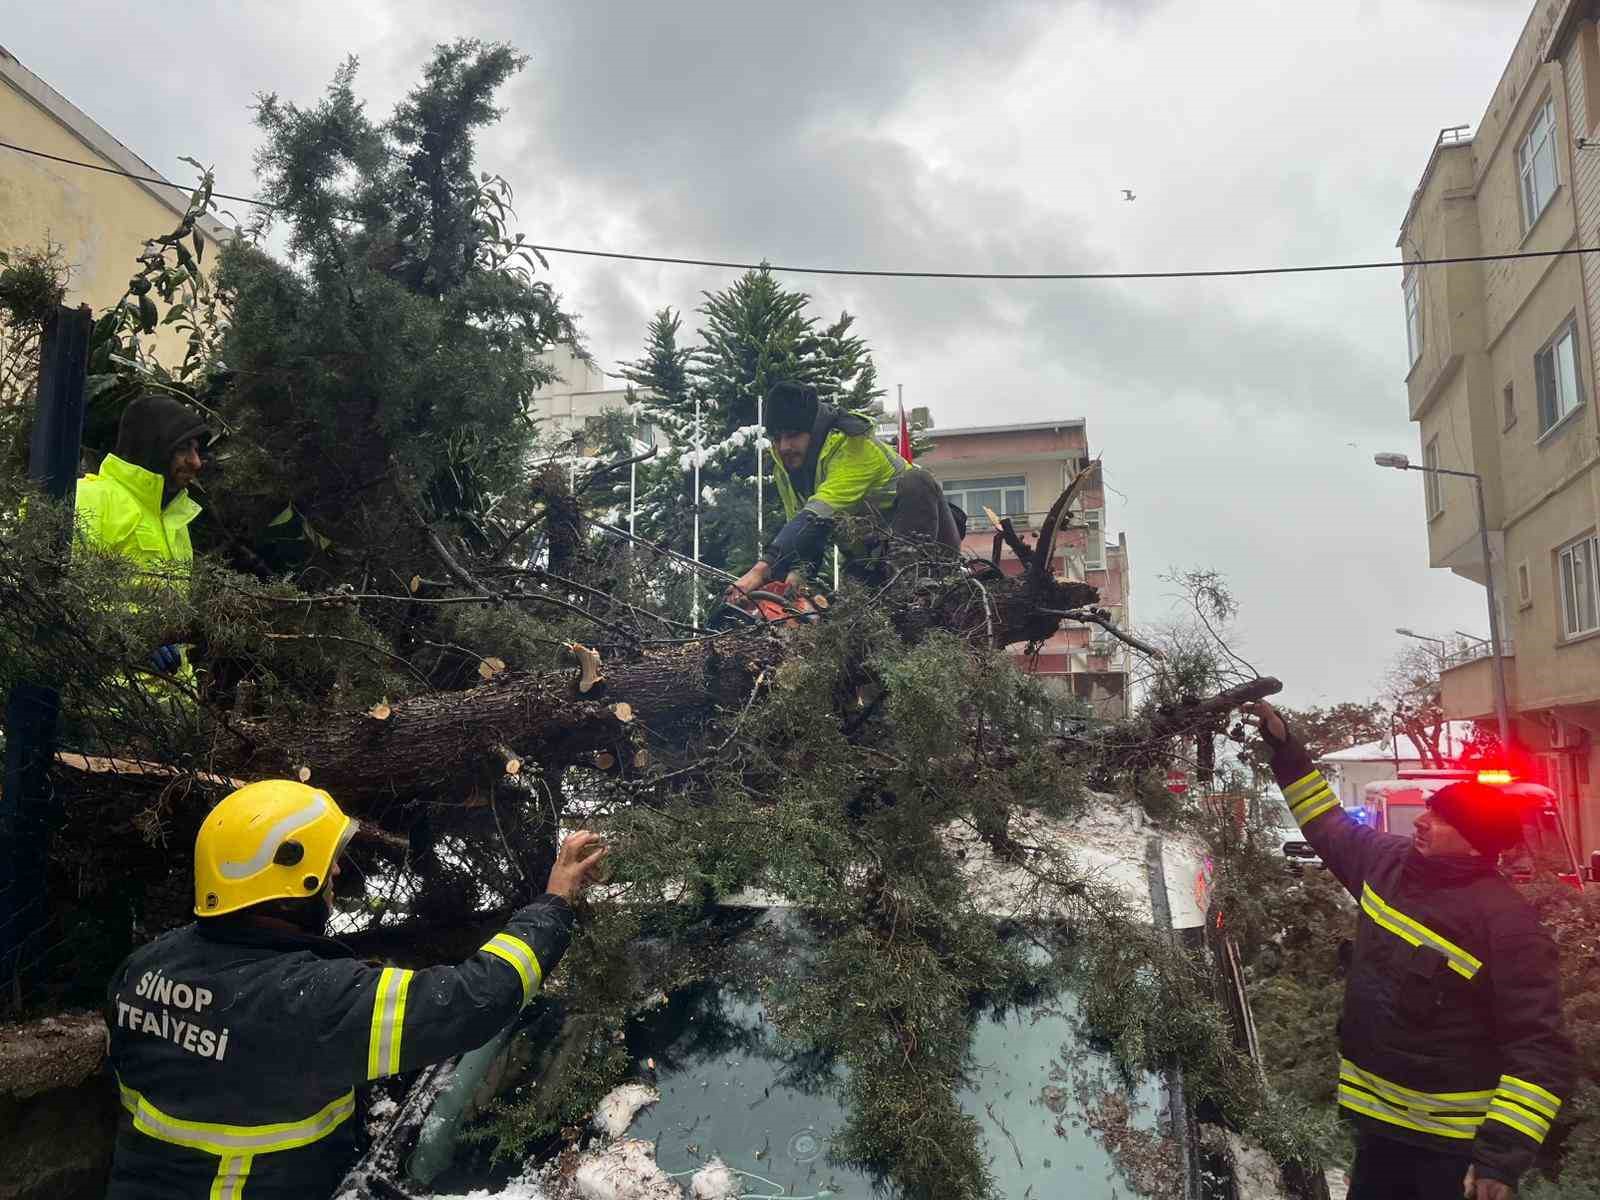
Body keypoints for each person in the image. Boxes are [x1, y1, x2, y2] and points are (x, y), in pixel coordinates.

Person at [104, 779, 608, 1199]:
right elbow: (477, 997)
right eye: (327, 864)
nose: (338, 871)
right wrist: (554, 901)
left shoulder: (144, 968)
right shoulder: (312, 1001)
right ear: (290, 881)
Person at [1247, 700, 1573, 1200]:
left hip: (1452, 1153)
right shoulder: (1386, 865)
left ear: (1475, 842)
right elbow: (1324, 821)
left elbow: (1539, 1051)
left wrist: (1500, 1160)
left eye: (1441, 820)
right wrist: (1287, 748)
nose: (1422, 821)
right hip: (1379, 1132)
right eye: (1429, 809)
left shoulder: (1508, 927)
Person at [727, 380, 961, 598]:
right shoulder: (786, 470)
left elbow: (817, 514)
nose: (784, 447)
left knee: (916, 479)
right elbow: (807, 536)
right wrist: (793, 581)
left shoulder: (853, 445)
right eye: (777, 439)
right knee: (847, 617)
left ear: (814, 429)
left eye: (793, 435)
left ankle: (912, 588)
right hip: (867, 560)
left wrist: (761, 569)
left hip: (932, 548)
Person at [75, 393, 212, 680]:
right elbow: (53, 594)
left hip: (168, 711)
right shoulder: (89, 499)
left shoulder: (174, 518)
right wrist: (127, 638)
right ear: (153, 445)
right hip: (102, 709)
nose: (196, 462)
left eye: (197, 449)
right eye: (184, 448)